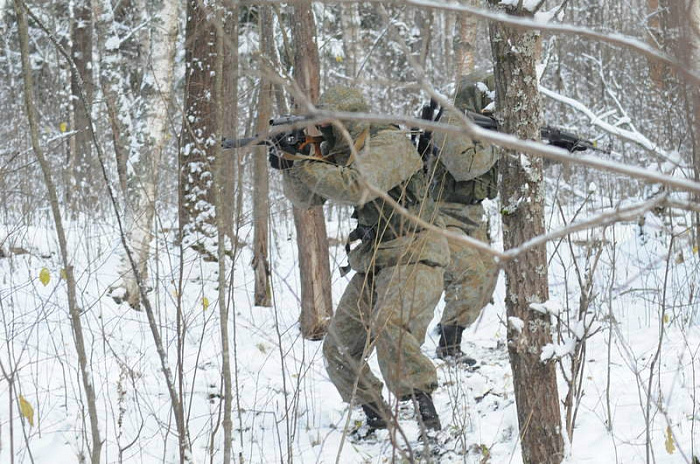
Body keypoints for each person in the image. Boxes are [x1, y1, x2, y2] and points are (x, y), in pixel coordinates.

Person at [271, 86, 450, 433]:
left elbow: (357, 187)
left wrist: (304, 162)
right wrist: (290, 163)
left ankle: (429, 427)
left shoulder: (388, 144)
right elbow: (306, 199)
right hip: (377, 258)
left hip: (415, 252)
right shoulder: (344, 153)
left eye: (325, 127)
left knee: (391, 332)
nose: (319, 133)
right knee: (339, 348)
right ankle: (378, 419)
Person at [423, 71, 500, 365]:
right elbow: (465, 166)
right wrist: (499, 143)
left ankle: (449, 327)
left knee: (489, 275)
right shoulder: (450, 123)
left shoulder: (486, 126)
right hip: (442, 215)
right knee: (469, 274)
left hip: (472, 214)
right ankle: (448, 345)